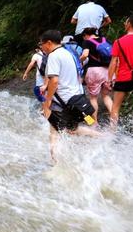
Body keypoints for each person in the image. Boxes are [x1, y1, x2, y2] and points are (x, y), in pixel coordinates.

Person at [40, 30, 100, 160]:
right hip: (77, 100)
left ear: (49, 43)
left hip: (63, 102)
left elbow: (54, 81)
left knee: (54, 133)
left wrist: (47, 102)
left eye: (42, 44)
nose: (41, 47)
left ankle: (55, 163)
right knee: (73, 128)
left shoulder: (53, 56)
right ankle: (102, 137)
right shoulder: (69, 53)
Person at [79, 27, 113, 123]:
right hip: (108, 71)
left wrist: (78, 60)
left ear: (86, 35)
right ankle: (114, 121)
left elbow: (85, 55)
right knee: (106, 96)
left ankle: (95, 123)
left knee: (93, 98)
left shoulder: (87, 42)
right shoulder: (105, 40)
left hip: (94, 71)